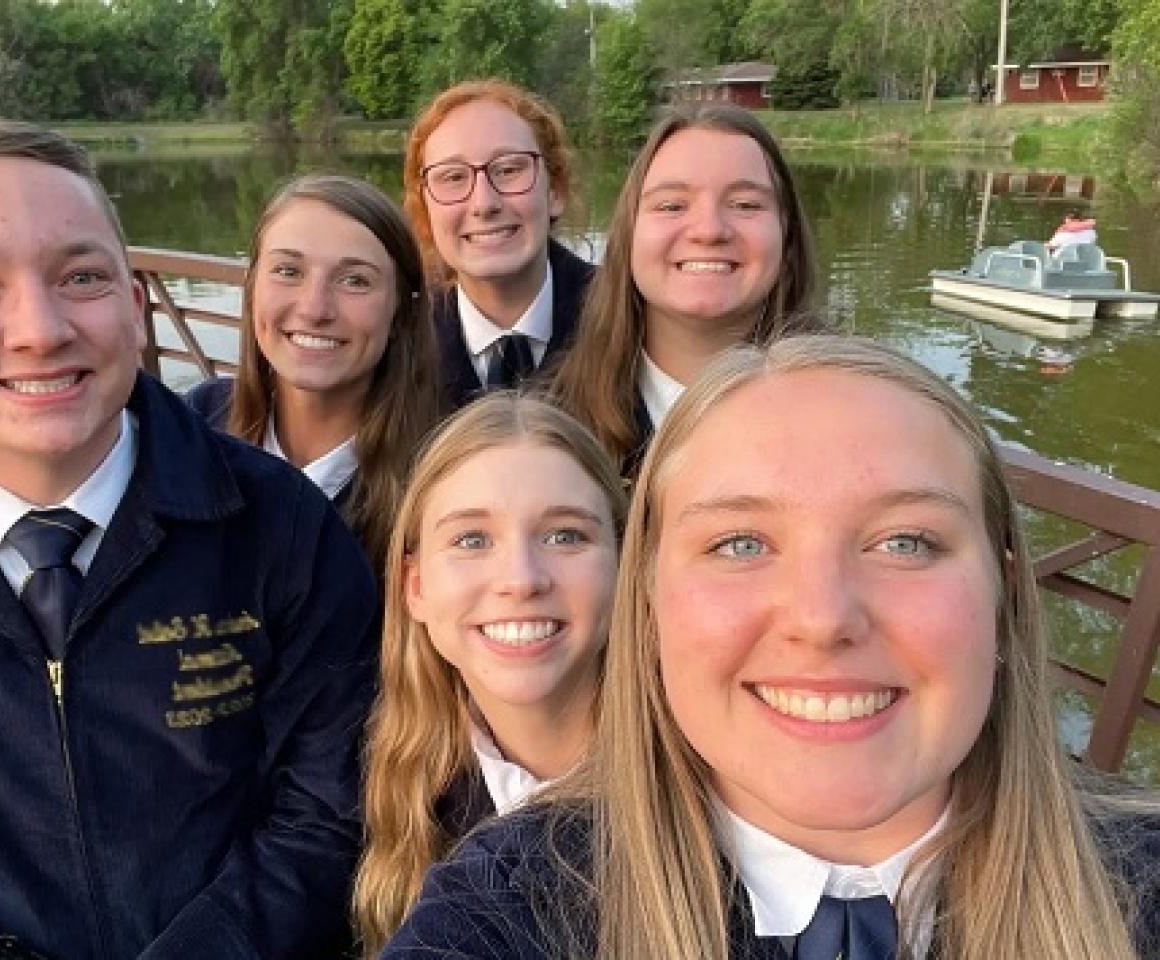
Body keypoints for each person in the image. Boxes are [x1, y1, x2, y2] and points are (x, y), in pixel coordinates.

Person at [383, 335, 1160, 959]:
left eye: (906, 542)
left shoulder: (1140, 886)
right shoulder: (509, 904)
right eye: (741, 543)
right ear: (647, 600)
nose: (822, 618)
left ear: (1004, 593)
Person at [0, 119, 377, 960]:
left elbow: (331, 809)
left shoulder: (283, 526)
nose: (39, 329)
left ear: (135, 307)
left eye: (81, 277)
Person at [353, 392, 625, 957]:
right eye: (472, 540)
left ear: (627, 565)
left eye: (565, 535)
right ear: (415, 587)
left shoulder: (717, 784)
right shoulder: (395, 785)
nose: (521, 579)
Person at [548, 102, 825, 476]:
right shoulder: (552, 429)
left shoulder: (859, 420)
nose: (709, 230)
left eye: (745, 204)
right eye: (672, 205)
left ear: (787, 237)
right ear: (629, 235)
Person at [186, 174, 440, 569]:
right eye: (288, 271)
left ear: (401, 313)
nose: (314, 309)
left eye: (355, 280)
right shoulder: (192, 428)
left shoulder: (444, 476)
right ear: (252, 289)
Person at [403, 80, 594, 409]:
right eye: (453, 177)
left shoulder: (631, 319)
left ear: (556, 191)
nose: (483, 203)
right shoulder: (398, 343)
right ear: (425, 212)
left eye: (508, 170)